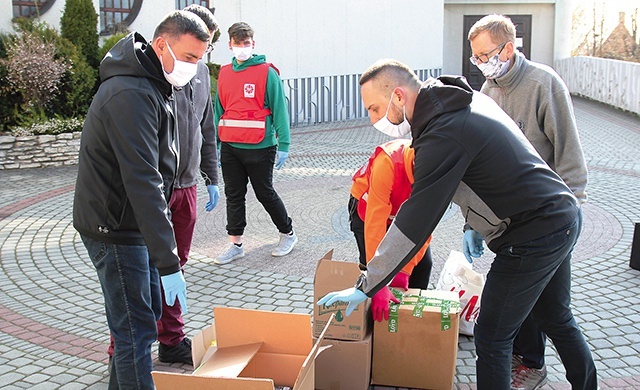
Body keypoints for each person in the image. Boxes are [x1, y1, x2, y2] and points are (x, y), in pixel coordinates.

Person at [317, 59, 598, 390]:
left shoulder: (442, 132)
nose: (373, 119)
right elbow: (487, 169)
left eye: (375, 108)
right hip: (560, 215)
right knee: (556, 318)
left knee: (492, 337)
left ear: (397, 96)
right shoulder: (460, 102)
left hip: (532, 233)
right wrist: (472, 224)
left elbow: (417, 217)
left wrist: (368, 284)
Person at [73, 10, 210, 389]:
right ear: (162, 44)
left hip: (131, 222)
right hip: (114, 227)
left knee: (140, 322)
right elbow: (143, 180)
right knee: (135, 333)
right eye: (189, 58)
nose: (194, 69)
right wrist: (168, 262)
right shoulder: (131, 92)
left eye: (199, 60)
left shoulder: (154, 81)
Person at [467, 14, 589, 390]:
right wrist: (472, 224)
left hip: (548, 219)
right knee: (549, 311)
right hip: (517, 225)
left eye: (486, 55)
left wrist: (567, 220)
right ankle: (535, 363)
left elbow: (570, 157)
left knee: (549, 315)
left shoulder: (543, 83)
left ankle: (580, 380)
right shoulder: (487, 93)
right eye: (475, 59)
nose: (483, 65)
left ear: (509, 47)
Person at [214, 21, 297, 264]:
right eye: (238, 43)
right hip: (230, 145)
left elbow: (280, 109)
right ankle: (236, 244)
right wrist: (217, 143)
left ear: (253, 44)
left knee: (264, 193)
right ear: (230, 44)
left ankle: (288, 233)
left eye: (246, 43)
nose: (242, 48)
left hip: (261, 146)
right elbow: (220, 110)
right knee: (234, 194)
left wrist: (284, 144)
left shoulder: (266, 72)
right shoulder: (224, 73)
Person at [348, 138, 433, 321]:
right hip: (367, 209)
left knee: (423, 265)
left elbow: (425, 225)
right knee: (370, 271)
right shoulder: (388, 163)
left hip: (401, 209)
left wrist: (406, 269)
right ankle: (373, 333)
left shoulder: (438, 174)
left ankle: (411, 322)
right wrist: (378, 283)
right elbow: (374, 226)